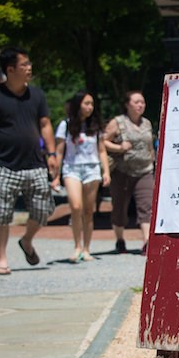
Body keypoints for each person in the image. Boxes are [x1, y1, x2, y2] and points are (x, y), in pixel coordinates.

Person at [0, 47, 58, 275]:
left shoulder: (37, 95)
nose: (29, 68)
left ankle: (26, 240)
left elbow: (45, 125)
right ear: (10, 70)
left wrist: (51, 154)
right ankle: (1, 259)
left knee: (44, 210)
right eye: (24, 65)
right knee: (1, 214)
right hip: (5, 164)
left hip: (35, 164)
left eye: (29, 64)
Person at [52, 91, 110, 263]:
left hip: (92, 169)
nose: (90, 107)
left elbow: (101, 150)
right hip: (72, 169)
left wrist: (105, 171)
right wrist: (55, 176)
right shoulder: (65, 125)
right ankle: (76, 246)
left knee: (88, 211)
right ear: (78, 105)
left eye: (92, 104)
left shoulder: (96, 126)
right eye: (86, 103)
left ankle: (86, 248)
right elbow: (59, 151)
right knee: (76, 206)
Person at [104, 90, 155, 255]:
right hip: (122, 171)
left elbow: (149, 145)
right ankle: (120, 239)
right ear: (127, 105)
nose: (140, 105)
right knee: (120, 208)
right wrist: (119, 147)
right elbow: (102, 141)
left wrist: (153, 160)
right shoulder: (117, 123)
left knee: (146, 206)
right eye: (136, 102)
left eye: (142, 102)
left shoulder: (147, 123)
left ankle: (147, 241)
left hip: (145, 170)